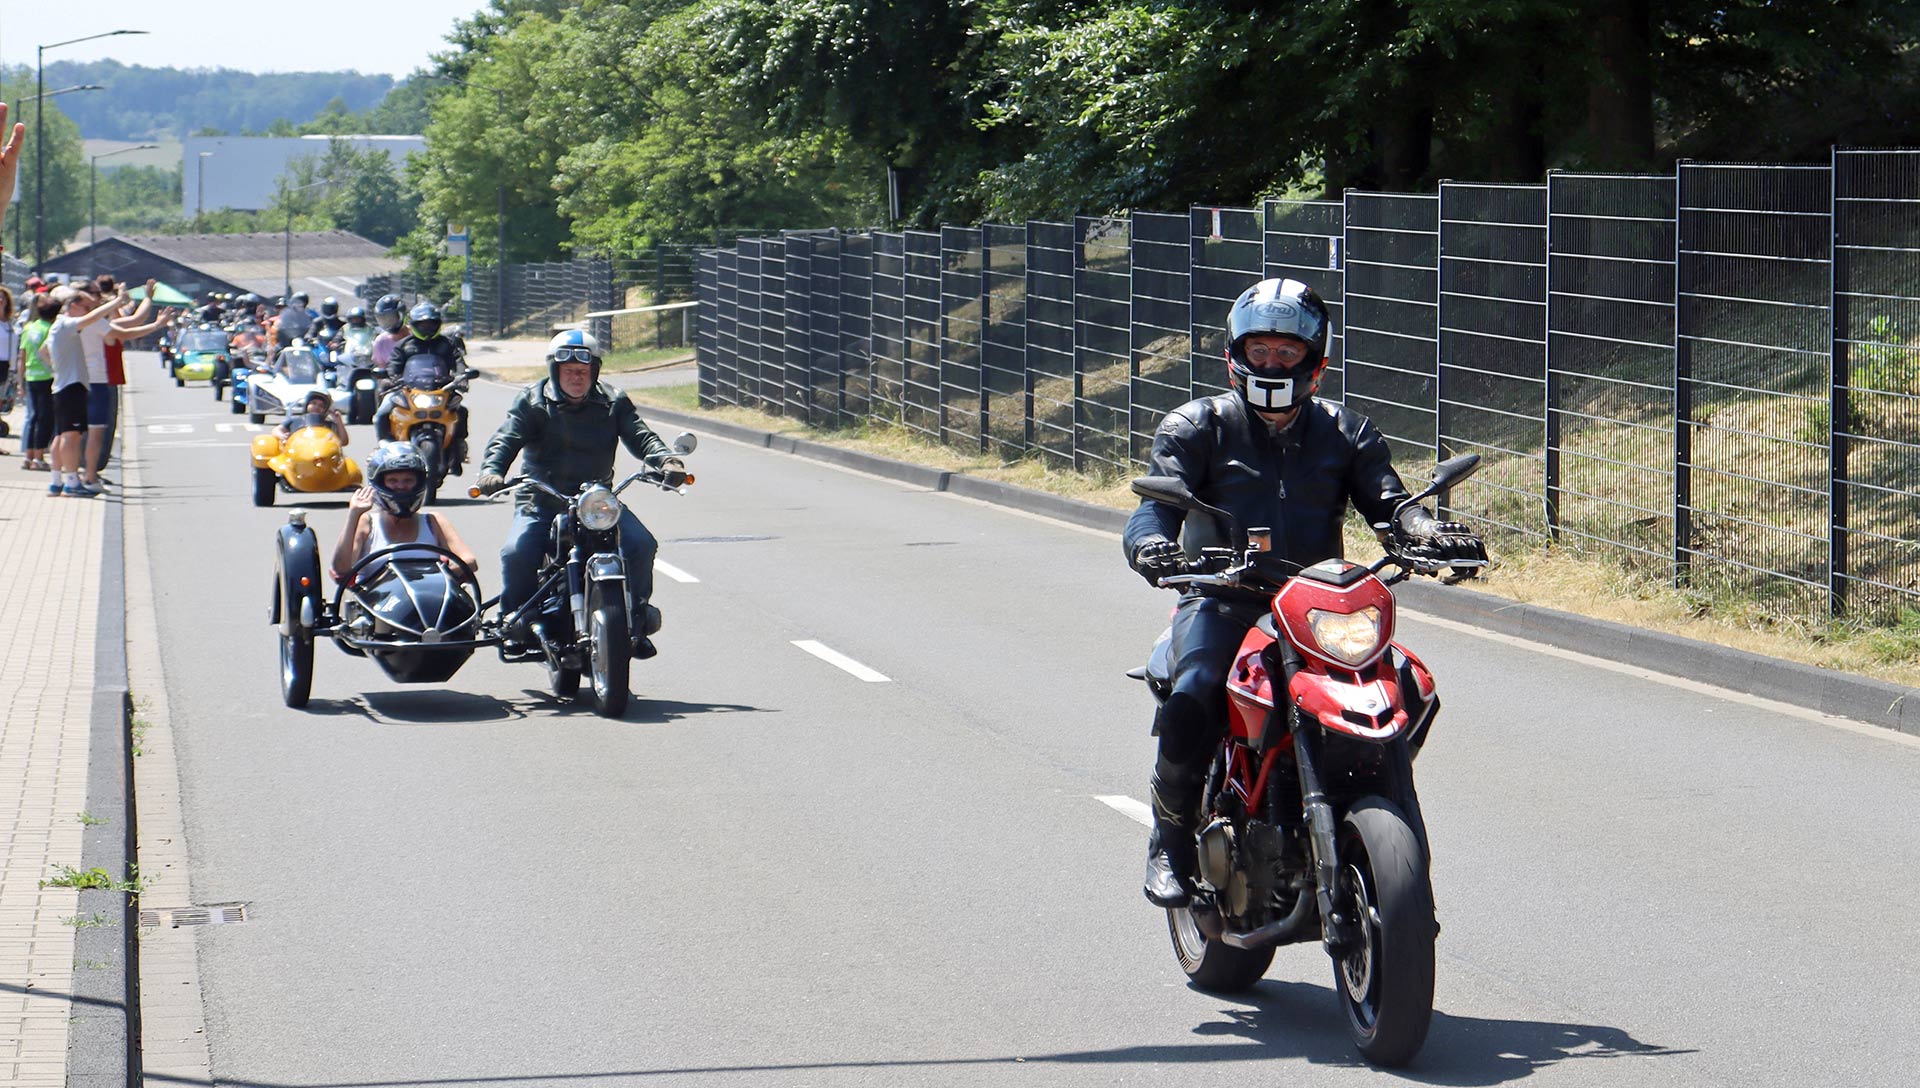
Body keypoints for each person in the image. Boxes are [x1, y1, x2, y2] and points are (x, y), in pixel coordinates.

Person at [1122, 278, 1487, 907]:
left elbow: (1391, 505)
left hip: (1321, 604)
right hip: (1224, 595)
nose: (1272, 364)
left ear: (1315, 358)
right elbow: (1155, 507)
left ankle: (1385, 842)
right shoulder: (1197, 425)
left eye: (1287, 352)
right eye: (1260, 349)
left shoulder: (1346, 431)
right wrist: (1154, 548)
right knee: (1196, 691)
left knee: (1406, 690)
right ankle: (1169, 840)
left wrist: (1430, 530)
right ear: (1234, 353)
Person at [475, 330, 687, 658]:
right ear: (554, 372)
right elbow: (507, 438)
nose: (576, 378)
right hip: (542, 500)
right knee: (517, 551)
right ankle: (516, 620)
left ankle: (636, 619)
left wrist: (666, 460)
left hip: (597, 501)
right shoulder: (532, 401)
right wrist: (492, 472)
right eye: (569, 371)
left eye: (583, 372)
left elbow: (641, 435)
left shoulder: (613, 400)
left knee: (641, 543)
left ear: (595, 372)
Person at [330, 442, 479, 583]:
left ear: (419, 482)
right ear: (381, 483)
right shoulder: (366, 523)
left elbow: (469, 561)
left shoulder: (434, 521)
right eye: (393, 480)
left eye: (408, 480)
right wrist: (353, 515)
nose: (401, 486)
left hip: (429, 602)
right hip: (376, 605)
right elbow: (342, 569)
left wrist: (444, 576)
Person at [42, 286, 123, 497]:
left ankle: (57, 481)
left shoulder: (59, 327)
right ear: (73, 305)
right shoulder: (66, 324)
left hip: (64, 384)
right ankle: (71, 482)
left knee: (62, 436)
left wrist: (58, 367)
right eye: (86, 306)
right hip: (71, 386)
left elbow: (43, 351)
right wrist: (115, 303)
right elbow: (92, 319)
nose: (89, 310)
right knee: (72, 437)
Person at [376, 301, 470, 468]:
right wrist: (390, 378)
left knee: (461, 410)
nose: (427, 328)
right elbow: (393, 365)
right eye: (422, 324)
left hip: (442, 390)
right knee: (383, 413)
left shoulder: (447, 344)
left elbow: (458, 362)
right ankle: (386, 447)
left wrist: (461, 377)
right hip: (409, 389)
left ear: (438, 324)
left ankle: (458, 445)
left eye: (431, 323)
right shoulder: (404, 345)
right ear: (414, 325)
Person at [16, 292, 58, 471]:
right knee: (45, 418)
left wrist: (19, 382)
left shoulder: (29, 328)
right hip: (47, 376)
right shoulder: (50, 329)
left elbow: (21, 355)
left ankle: (28, 456)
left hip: (30, 375)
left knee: (33, 417)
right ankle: (39, 457)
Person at [277, 388, 349, 446]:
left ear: (326, 410)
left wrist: (339, 421)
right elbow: (277, 430)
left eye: (321, 406)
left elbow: (343, 441)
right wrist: (282, 436)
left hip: (322, 457)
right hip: (298, 454)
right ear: (307, 404)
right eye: (313, 403)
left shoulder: (329, 425)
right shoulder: (295, 420)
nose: (316, 407)